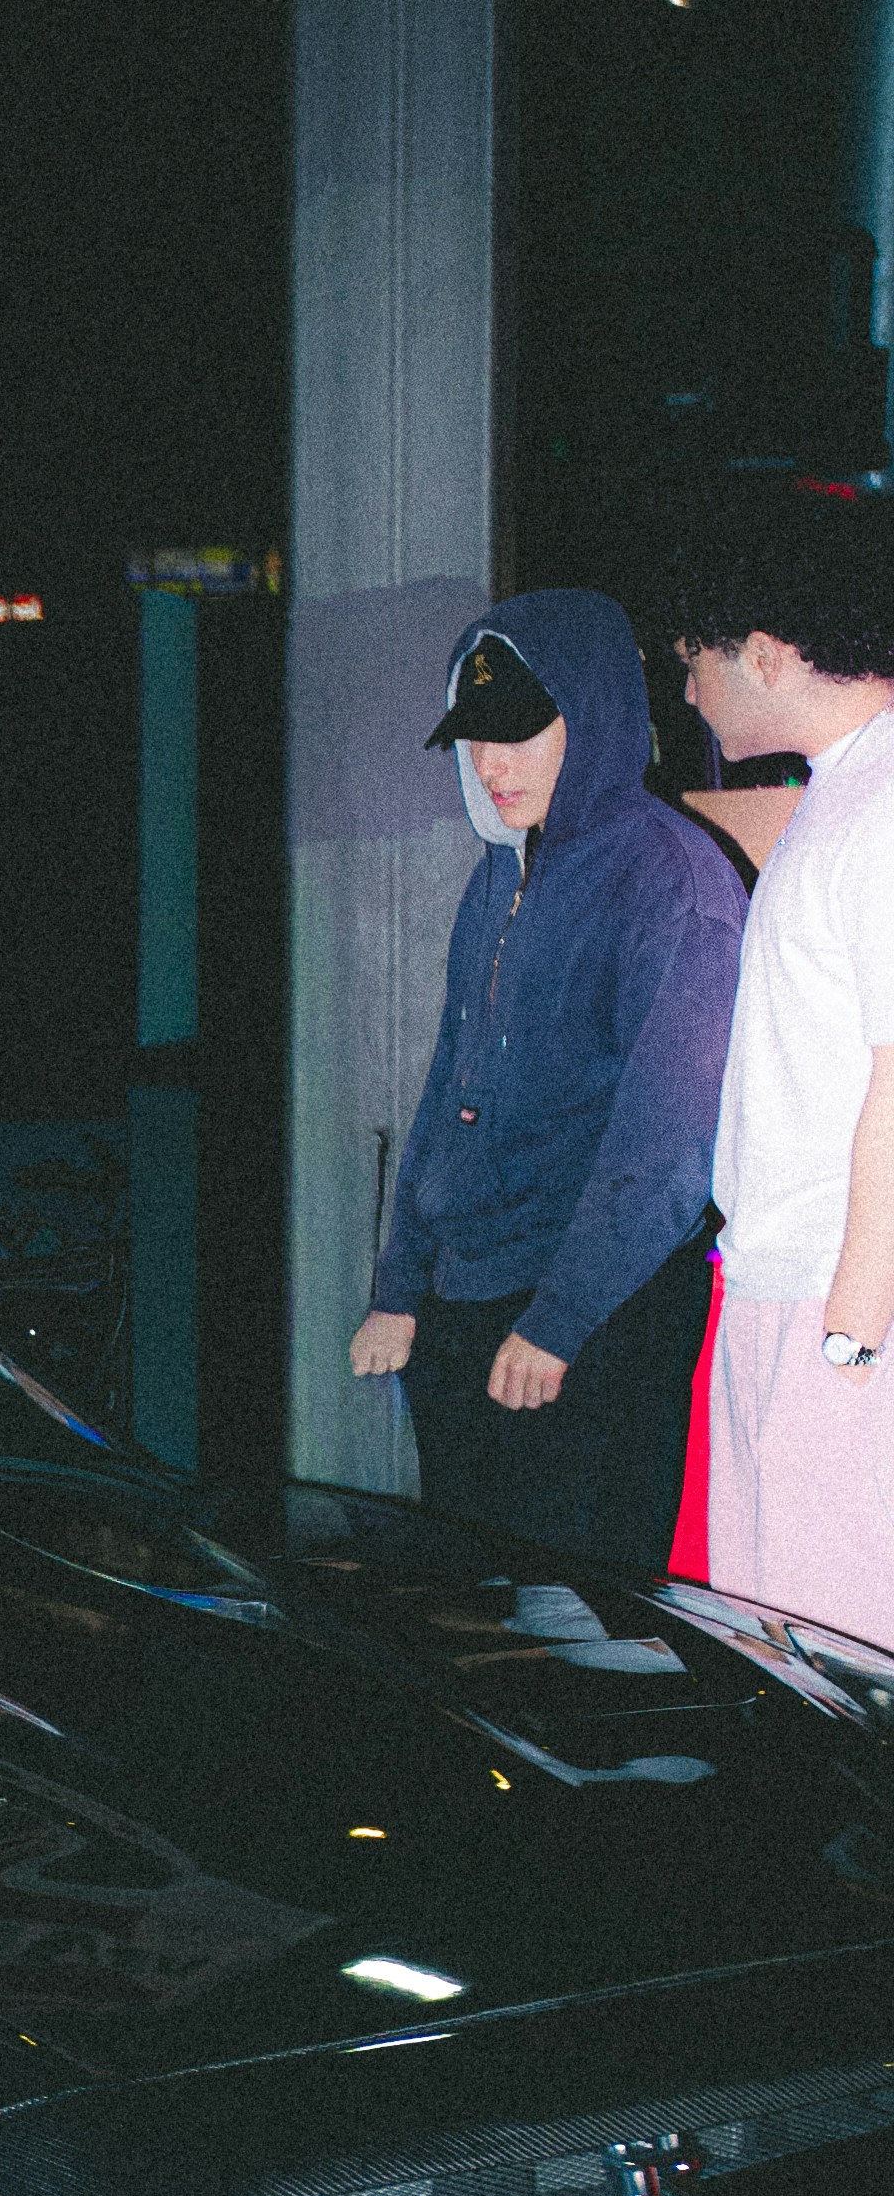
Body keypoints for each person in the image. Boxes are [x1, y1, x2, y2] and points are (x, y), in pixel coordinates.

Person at [349, 585, 743, 1571]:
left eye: (521, 733)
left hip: (593, 1321)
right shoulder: (502, 872)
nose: (490, 764)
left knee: (582, 1624)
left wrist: (560, 1321)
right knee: (477, 1614)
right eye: (476, 736)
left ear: (594, 716)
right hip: (470, 1305)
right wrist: (401, 1284)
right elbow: (450, 1085)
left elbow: (666, 1144)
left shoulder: (670, 878)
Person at [676, 494, 894, 1642]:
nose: (692, 691)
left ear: (764, 652)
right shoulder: (843, 790)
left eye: (696, 661)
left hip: (832, 1298)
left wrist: (854, 1331)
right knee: (780, 1634)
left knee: (835, 1652)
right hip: (786, 1284)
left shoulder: (882, 801)